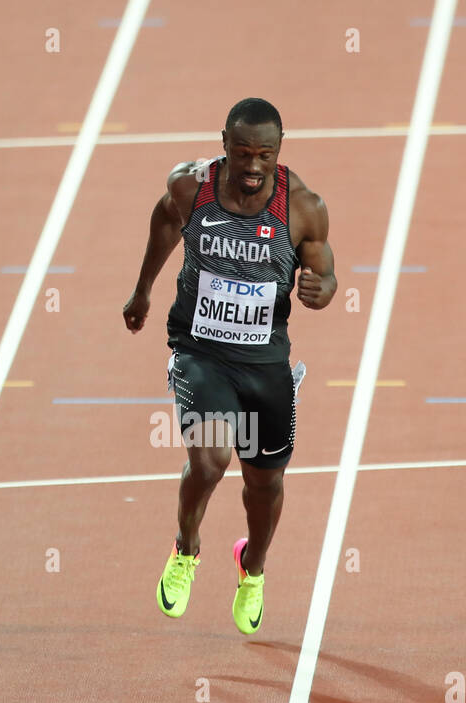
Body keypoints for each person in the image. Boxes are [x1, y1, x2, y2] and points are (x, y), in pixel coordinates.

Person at [123, 98, 336, 636]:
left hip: (265, 362)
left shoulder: (304, 206)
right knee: (212, 459)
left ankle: (253, 568)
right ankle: (186, 548)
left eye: (265, 154)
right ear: (224, 144)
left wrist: (322, 291)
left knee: (264, 484)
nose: (253, 166)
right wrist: (143, 290)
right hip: (200, 351)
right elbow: (164, 226)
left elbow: (326, 271)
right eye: (242, 153)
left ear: (278, 152)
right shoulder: (189, 188)